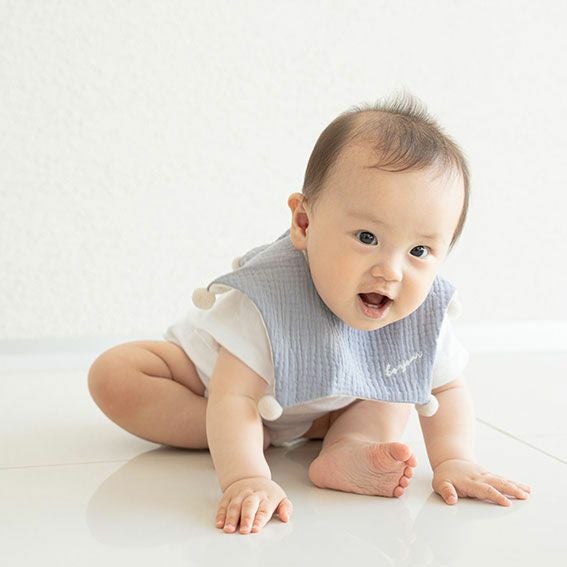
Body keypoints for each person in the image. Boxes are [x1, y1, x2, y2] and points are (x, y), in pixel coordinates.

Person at [88, 92, 531, 536]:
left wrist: (455, 460)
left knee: (394, 391)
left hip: (327, 398)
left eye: (419, 251)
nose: (391, 271)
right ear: (304, 224)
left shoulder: (421, 310)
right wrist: (247, 477)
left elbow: (446, 388)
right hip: (206, 386)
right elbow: (234, 396)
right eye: (367, 237)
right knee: (116, 374)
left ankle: (347, 445)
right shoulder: (269, 296)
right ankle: (245, 435)